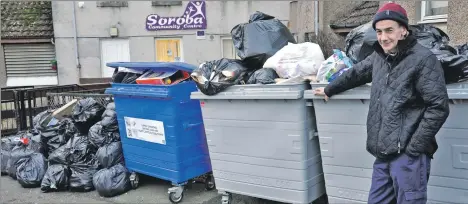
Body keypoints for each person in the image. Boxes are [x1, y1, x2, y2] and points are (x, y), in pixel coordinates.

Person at [314, 2, 450, 204]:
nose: (384, 37)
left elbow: (439, 107)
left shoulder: (423, 60)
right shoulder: (380, 57)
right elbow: (357, 72)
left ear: (403, 30)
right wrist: (329, 88)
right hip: (383, 152)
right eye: (379, 31)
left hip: (408, 156)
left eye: (389, 30)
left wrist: (413, 149)